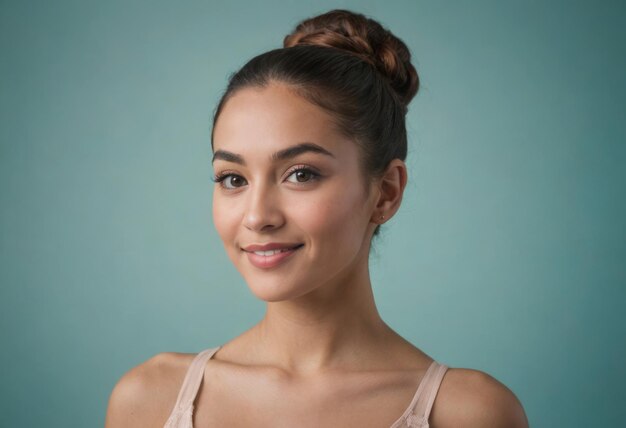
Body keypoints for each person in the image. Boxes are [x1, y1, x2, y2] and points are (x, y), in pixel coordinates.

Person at [105, 9, 528, 428]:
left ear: (386, 192)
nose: (257, 216)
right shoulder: (149, 400)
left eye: (301, 174)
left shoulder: (468, 414)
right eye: (233, 178)